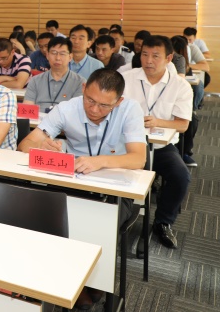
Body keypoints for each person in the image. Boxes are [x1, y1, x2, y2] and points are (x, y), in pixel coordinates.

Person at [19, 68, 147, 309]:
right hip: (72, 183)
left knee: (96, 221)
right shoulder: (67, 108)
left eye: (104, 105)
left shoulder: (130, 110)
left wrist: (100, 161)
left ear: (118, 101)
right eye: (90, 100)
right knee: (49, 216)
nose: (94, 109)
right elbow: (26, 144)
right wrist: (40, 148)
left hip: (115, 191)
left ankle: (91, 280)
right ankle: (73, 284)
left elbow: (138, 158)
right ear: (83, 88)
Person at [121, 36, 193, 248]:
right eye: (144, 54)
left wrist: (157, 121)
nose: (148, 60)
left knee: (181, 177)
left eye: (155, 56)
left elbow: (182, 125)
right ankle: (121, 215)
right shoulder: (125, 78)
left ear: (169, 58)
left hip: (161, 147)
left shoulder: (180, 86)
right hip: (127, 144)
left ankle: (163, 222)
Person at [23, 37, 85, 111]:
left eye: (62, 54)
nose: (57, 58)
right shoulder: (35, 81)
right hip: (39, 118)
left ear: (70, 57)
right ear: (47, 55)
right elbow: (27, 109)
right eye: (53, 53)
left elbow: (76, 111)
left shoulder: (80, 83)